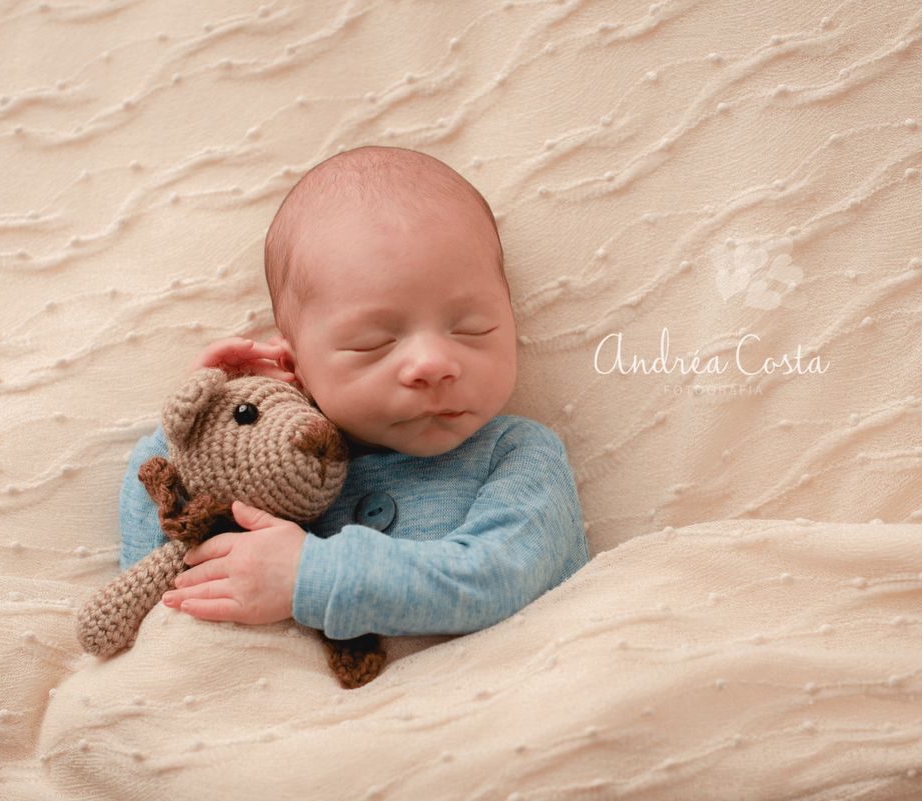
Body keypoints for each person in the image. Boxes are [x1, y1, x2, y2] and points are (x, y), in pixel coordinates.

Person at [118, 146, 589, 640]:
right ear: (294, 365)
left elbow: (497, 578)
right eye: (374, 342)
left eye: (472, 329)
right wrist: (199, 428)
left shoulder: (519, 456)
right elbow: (160, 579)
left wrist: (309, 574)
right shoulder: (276, 466)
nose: (432, 364)